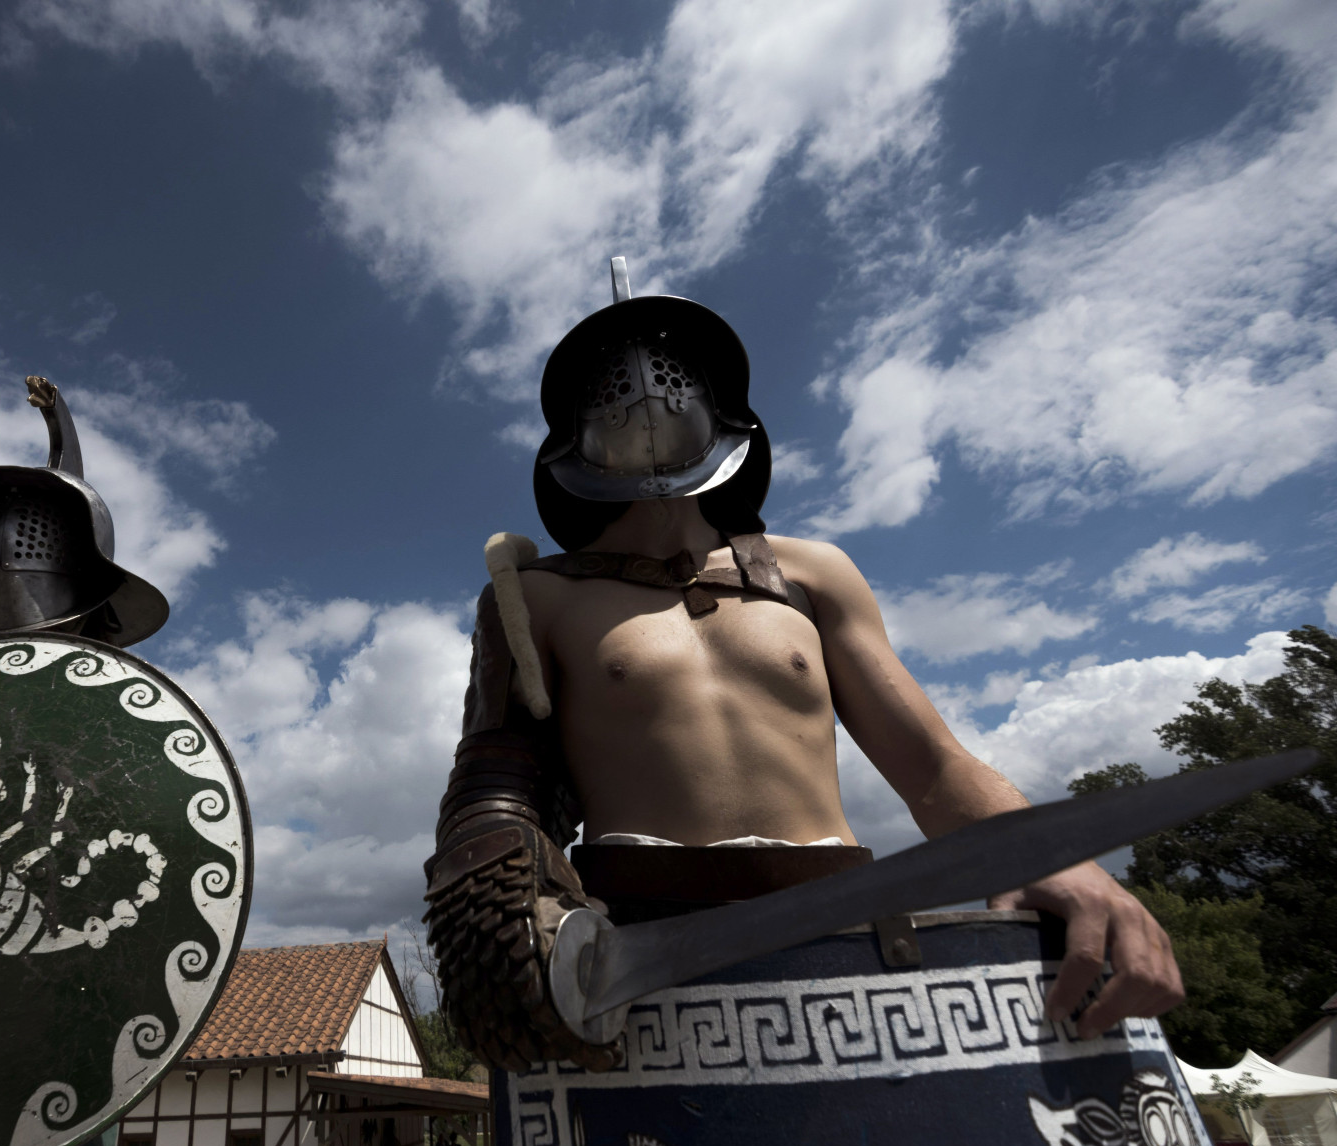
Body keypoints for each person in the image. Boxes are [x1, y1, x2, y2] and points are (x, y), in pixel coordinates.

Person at [423, 280, 1184, 1073]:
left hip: (841, 929)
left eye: (666, 374)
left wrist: (1043, 854)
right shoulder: (533, 596)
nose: (643, 392)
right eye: (613, 385)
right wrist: (495, 917)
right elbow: (495, 788)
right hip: (637, 955)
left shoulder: (812, 572)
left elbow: (931, 766)